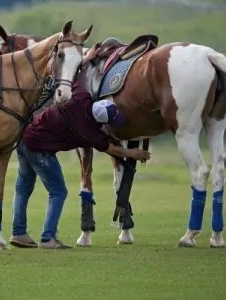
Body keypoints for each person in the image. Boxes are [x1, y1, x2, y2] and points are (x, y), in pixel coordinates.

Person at [9, 48, 151, 249]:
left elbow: (70, 75)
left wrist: (86, 59)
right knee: (58, 192)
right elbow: (114, 150)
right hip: (38, 149)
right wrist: (134, 153)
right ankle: (48, 238)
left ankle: (18, 233)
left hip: (23, 139)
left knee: (23, 187)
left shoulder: (80, 95)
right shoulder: (90, 133)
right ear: (103, 122)